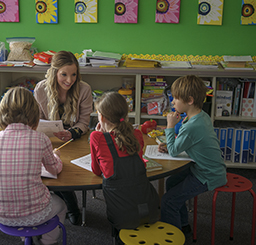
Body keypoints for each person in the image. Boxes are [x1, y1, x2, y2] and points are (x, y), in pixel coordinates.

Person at [0, 87, 67, 245]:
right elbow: (54, 169)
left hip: (1, 213)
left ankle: (25, 238)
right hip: (35, 211)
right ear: (34, 112)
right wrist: (57, 157)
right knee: (62, 206)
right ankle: (49, 241)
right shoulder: (40, 138)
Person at [158, 75, 227, 236]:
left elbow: (175, 151)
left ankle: (174, 237)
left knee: (168, 201)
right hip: (206, 169)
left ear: (189, 100)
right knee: (172, 182)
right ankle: (182, 225)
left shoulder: (193, 125)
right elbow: (185, 144)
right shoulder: (201, 115)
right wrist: (170, 145)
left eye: (175, 98)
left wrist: (169, 126)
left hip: (207, 175)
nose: (173, 102)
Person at [34, 51, 93, 225]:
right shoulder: (41, 89)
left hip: (74, 139)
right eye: (64, 75)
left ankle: (72, 206)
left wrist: (71, 133)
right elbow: (36, 120)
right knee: (48, 168)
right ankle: (68, 204)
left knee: (64, 170)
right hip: (49, 140)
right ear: (54, 73)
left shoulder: (84, 89)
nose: (69, 80)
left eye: (74, 74)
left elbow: (84, 123)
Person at [90, 92, 159, 240]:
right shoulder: (137, 134)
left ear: (101, 117)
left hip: (121, 216)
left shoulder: (96, 137)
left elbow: (96, 170)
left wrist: (99, 134)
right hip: (150, 209)